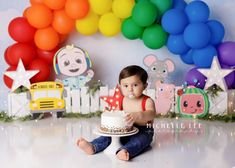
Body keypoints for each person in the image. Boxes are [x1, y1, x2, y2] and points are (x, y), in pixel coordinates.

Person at [77, 65, 156, 161]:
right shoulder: (123, 99)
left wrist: (139, 115)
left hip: (143, 130)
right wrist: (110, 113)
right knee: (107, 137)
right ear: (120, 86)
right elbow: (117, 112)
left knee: (139, 141)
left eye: (135, 85)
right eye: (126, 86)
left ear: (145, 85)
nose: (130, 89)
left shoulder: (147, 101)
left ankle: (125, 151)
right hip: (124, 129)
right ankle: (93, 146)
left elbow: (151, 113)